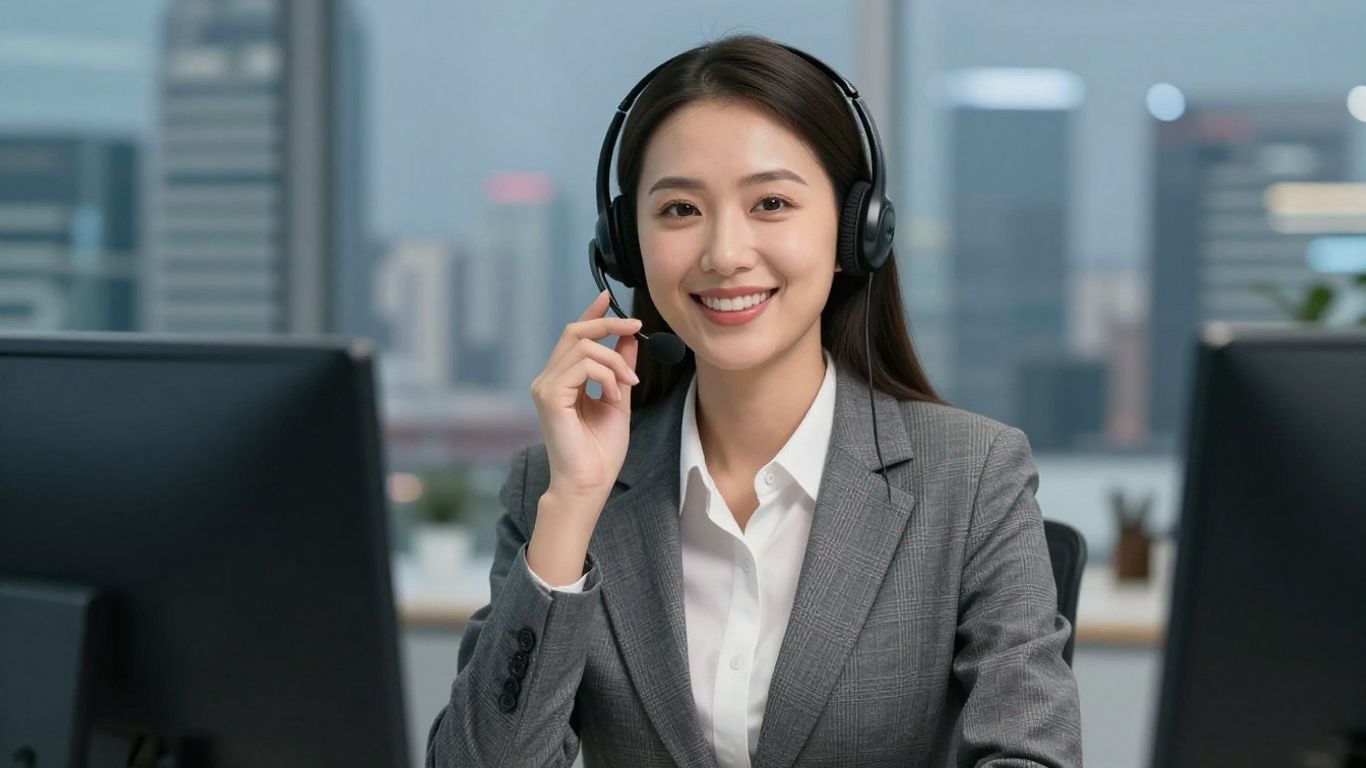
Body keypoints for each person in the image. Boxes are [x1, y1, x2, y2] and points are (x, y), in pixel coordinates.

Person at [426, 33, 1082, 768]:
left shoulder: (972, 477)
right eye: (679, 210)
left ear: (854, 231)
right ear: (626, 246)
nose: (724, 253)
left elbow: (1031, 756)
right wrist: (574, 506)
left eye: (771, 202)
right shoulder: (556, 487)